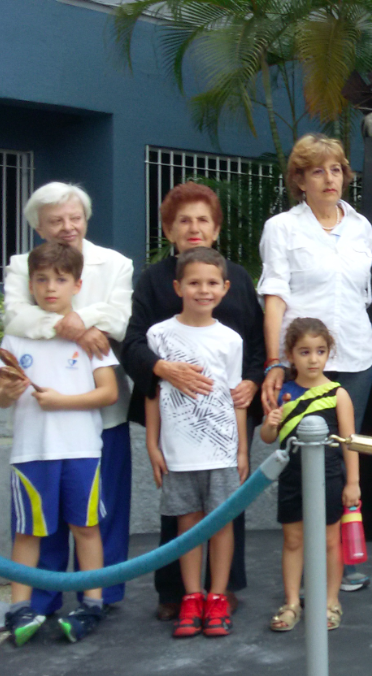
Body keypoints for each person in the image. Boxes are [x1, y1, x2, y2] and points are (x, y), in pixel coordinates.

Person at [120, 182, 265, 621]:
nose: (194, 227)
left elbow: (255, 343)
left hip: (227, 412)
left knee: (227, 505)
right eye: (183, 221)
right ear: (169, 230)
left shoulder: (236, 278)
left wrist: (253, 382)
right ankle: (175, 592)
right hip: (172, 414)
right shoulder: (153, 280)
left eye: (203, 219)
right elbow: (132, 343)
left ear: (216, 229)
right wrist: (162, 369)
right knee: (178, 510)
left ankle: (224, 588)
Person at [2, 182, 133, 617]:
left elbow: (118, 320)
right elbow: (16, 317)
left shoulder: (115, 263)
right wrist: (77, 327)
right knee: (42, 521)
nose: (67, 227)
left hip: (100, 412)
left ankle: (99, 598)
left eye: (74, 217)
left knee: (97, 514)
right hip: (39, 424)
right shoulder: (22, 265)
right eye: (55, 220)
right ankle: (40, 601)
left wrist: (74, 319)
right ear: (39, 227)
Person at [257, 134, 372, 591]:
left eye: (336, 169)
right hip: (303, 364)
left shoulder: (361, 227)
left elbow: (365, 295)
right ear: (300, 180)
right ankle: (304, 564)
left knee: (347, 458)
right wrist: (275, 362)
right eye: (318, 171)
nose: (330, 178)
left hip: (357, 359)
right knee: (304, 461)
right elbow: (274, 296)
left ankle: (344, 560)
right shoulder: (282, 228)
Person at [0, 243, 119, 645]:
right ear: (30, 284)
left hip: (81, 450)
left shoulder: (89, 338)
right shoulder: (16, 336)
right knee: (27, 532)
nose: (51, 287)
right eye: (42, 279)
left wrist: (62, 401)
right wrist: (9, 391)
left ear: (77, 285)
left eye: (61, 279)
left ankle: (93, 603)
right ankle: (19, 608)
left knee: (86, 527)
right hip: (31, 452)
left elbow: (109, 393)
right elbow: (0, 396)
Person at [144, 247, 249, 638]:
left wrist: (241, 449)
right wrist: (152, 445)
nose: (203, 290)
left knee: (220, 524)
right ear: (178, 287)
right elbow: (152, 393)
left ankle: (217, 596)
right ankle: (192, 596)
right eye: (194, 283)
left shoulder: (231, 339)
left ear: (224, 288)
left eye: (211, 283)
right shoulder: (158, 335)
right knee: (186, 525)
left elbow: (237, 397)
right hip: (178, 453)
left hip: (221, 451)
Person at [261, 318, 360, 632]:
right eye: (304, 352)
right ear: (290, 355)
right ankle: (292, 602)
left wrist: (353, 482)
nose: (313, 359)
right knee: (293, 540)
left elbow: (350, 442)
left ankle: (331, 601)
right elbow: (267, 437)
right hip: (291, 477)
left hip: (329, 477)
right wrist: (270, 423)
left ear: (329, 353)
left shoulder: (338, 394)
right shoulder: (284, 393)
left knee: (331, 541)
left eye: (320, 351)